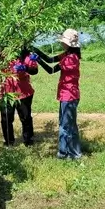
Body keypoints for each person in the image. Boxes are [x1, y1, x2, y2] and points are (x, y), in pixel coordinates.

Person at [33, 29, 82, 160]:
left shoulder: (70, 59)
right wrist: (36, 50)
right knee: (66, 124)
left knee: (66, 126)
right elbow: (50, 59)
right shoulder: (68, 54)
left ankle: (72, 154)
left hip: (69, 95)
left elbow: (51, 69)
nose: (61, 44)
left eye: (63, 42)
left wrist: (37, 60)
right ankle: (66, 152)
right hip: (67, 94)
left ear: (68, 44)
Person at [0, 46, 39, 146]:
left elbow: (34, 70)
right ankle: (9, 142)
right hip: (6, 93)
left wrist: (26, 67)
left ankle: (28, 141)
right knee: (6, 118)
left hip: (23, 93)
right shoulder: (2, 54)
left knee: (25, 118)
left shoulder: (26, 56)